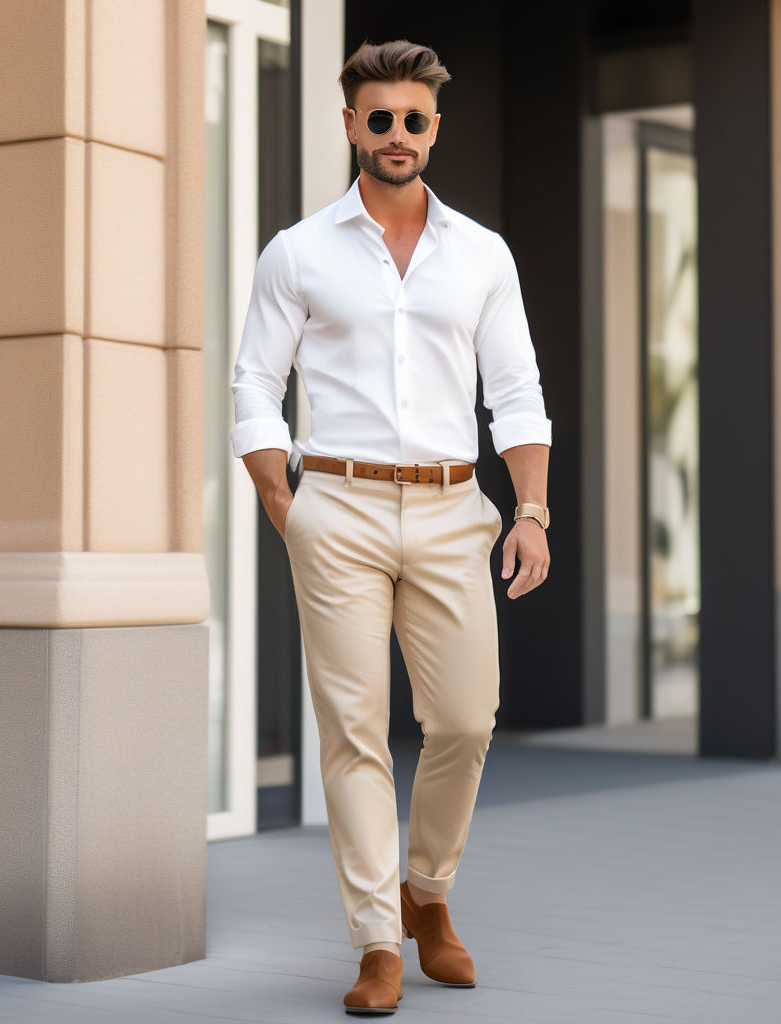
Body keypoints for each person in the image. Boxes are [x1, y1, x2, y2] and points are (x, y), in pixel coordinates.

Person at [230, 38, 552, 1016]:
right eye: (380, 119)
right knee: (354, 730)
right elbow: (253, 379)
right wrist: (284, 501)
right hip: (338, 505)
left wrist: (530, 509)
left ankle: (427, 890)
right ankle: (378, 940)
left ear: (434, 129)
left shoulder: (482, 255)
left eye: (414, 119)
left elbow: (516, 390)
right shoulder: (298, 250)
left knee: (463, 719)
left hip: (458, 508)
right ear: (349, 126)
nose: (397, 134)